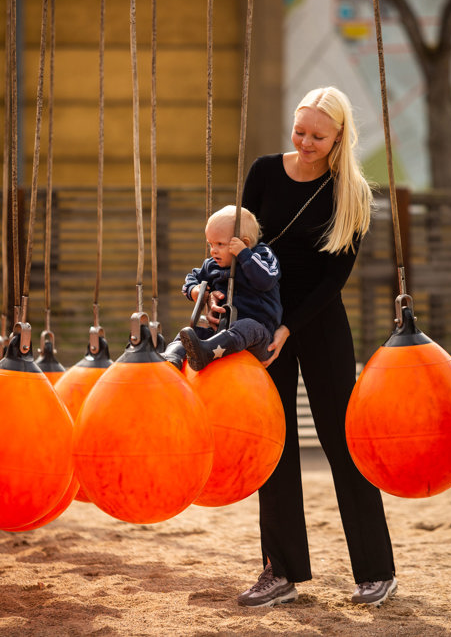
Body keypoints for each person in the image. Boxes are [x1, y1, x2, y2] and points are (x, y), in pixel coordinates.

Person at [233, 86, 396, 608]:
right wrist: (230, 302)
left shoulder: (352, 192)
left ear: (339, 136)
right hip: (263, 322)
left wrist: (288, 329)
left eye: (317, 136)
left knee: (342, 442)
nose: (304, 141)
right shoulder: (262, 172)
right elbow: (242, 247)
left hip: (320, 322)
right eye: (299, 130)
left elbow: (333, 280)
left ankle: (376, 571)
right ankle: (279, 571)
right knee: (274, 444)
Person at [163, 205, 282, 372]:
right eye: (210, 243)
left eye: (220, 244)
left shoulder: (262, 255)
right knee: (194, 332)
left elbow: (267, 280)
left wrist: (244, 255)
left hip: (260, 338)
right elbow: (192, 278)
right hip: (219, 332)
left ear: (244, 243)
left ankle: (207, 352)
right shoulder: (212, 265)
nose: (213, 250)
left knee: (248, 326)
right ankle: (171, 357)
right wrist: (194, 290)